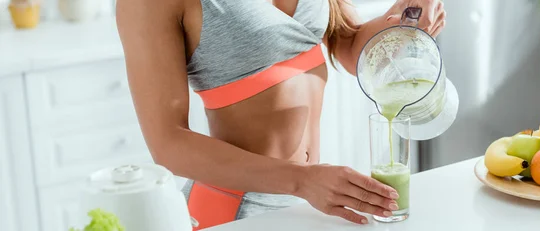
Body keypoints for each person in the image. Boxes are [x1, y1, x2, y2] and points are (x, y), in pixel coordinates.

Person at [116, 0, 445, 229]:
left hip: (310, 203)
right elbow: (167, 143)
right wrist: (302, 181)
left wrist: (410, 16)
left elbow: (347, 42)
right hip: (237, 210)